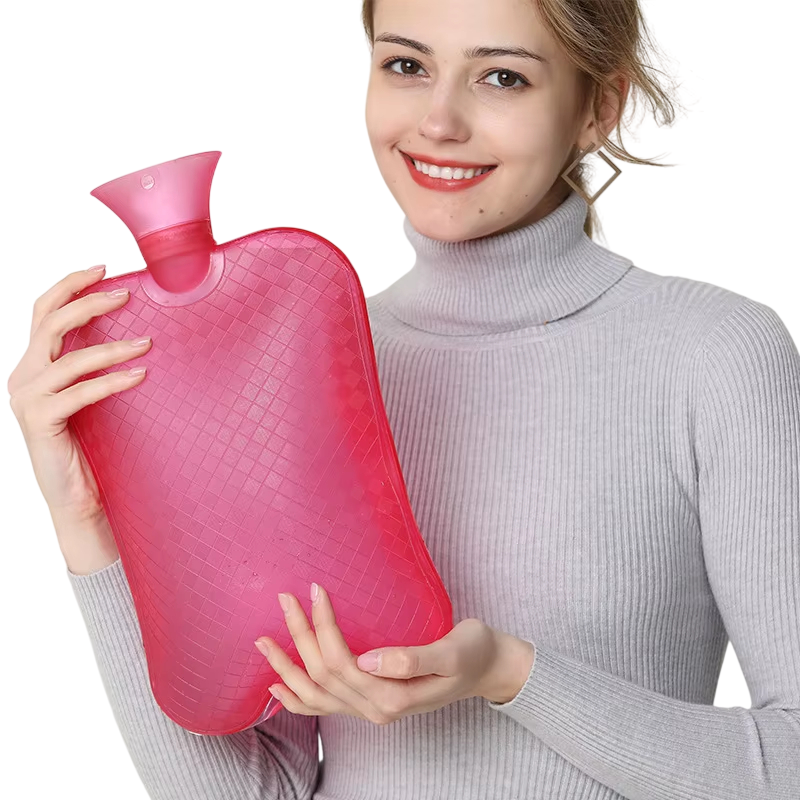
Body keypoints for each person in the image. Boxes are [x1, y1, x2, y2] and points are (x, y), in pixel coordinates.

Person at [8, 0, 800, 797]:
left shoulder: (712, 354)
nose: (438, 122)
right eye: (407, 65)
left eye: (502, 77)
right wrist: (88, 522)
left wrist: (509, 674)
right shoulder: (299, 362)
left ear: (600, 106)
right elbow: (258, 790)